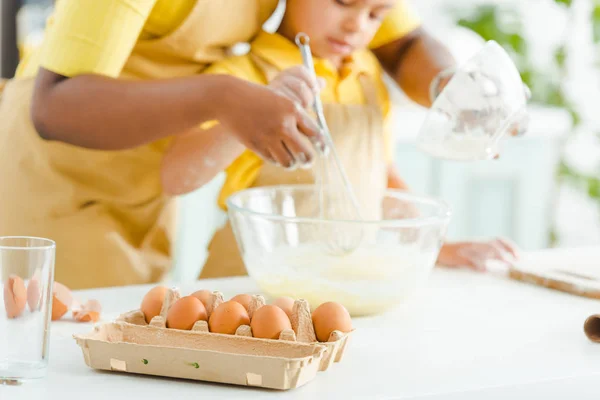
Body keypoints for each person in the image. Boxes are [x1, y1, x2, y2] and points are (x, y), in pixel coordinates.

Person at [0, 0, 450, 289]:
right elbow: (55, 107)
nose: (359, 23)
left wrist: (459, 87)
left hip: (148, 161)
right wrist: (224, 98)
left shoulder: (355, 57)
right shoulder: (249, 76)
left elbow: (402, 38)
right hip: (59, 166)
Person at [158, 0, 520, 279]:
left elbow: (380, 181)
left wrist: (437, 248)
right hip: (248, 284)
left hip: (338, 284)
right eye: (343, 2)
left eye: (376, 14)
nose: (356, 26)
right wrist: (245, 114)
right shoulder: (242, 77)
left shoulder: (366, 75)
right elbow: (176, 177)